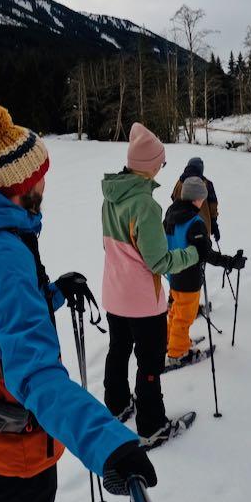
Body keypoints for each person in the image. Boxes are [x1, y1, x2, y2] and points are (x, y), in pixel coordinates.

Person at [0, 104, 155, 502]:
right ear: (20, 184)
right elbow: (36, 375)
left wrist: (54, 293)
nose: (46, 185)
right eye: (41, 177)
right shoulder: (2, 260)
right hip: (17, 449)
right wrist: (109, 444)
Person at [101, 122, 199, 449]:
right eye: (161, 162)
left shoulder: (111, 198)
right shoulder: (145, 205)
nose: (162, 167)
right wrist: (193, 253)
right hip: (142, 303)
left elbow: (113, 248)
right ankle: (152, 425)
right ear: (149, 165)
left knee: (118, 351)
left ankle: (115, 407)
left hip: (114, 296)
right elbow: (160, 262)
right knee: (150, 363)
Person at [163, 176, 246, 369]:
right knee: (185, 315)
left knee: (175, 311)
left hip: (173, 273)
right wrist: (230, 262)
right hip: (189, 278)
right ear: (196, 198)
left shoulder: (170, 212)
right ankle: (178, 352)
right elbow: (205, 254)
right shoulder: (195, 222)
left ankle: (169, 340)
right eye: (202, 197)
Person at [171, 157, 221, 242]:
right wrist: (214, 223)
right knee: (203, 251)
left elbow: (173, 197)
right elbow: (213, 205)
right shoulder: (206, 183)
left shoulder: (179, 183)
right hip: (202, 226)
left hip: (179, 227)